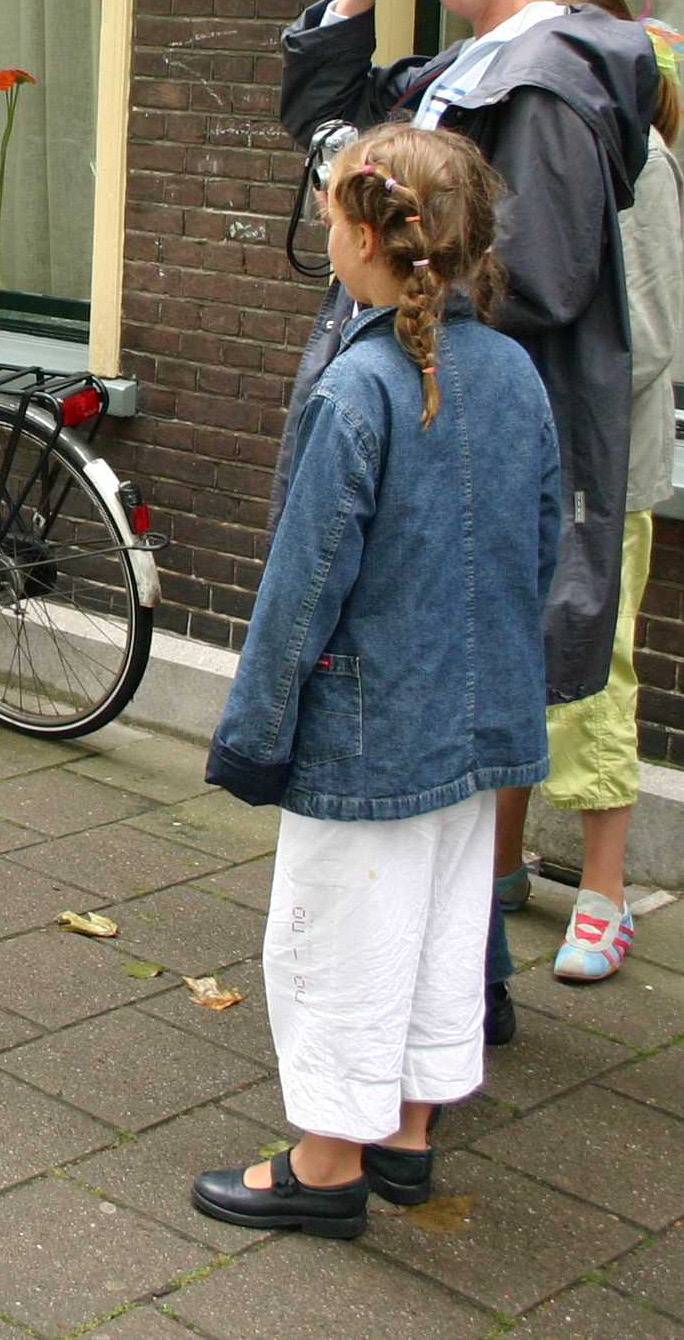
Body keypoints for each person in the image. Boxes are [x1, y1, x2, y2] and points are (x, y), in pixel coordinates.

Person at [278, 0, 657, 1034]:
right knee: (432, 706)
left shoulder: (549, 75)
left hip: (461, 438)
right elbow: (324, 132)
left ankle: (443, 1002)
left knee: (428, 703)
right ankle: (452, 990)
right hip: (428, 416)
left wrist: (397, 284)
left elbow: (543, 272)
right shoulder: (462, 66)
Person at [189, 123, 559, 1242]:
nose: (325, 240)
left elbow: (303, 583)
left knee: (341, 933)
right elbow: (541, 542)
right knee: (444, 921)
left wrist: (255, 732)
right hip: (479, 721)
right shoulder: (516, 372)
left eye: (329, 223)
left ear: (365, 237)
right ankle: (406, 1128)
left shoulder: (359, 385)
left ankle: (325, 1162)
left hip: (367, 725)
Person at [503, 0, 684, 981]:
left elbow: (644, 339)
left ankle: (605, 898)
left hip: (601, 471)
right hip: (535, 461)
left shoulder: (638, 160)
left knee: (594, 671)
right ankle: (499, 867)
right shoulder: (542, 137)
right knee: (513, 664)